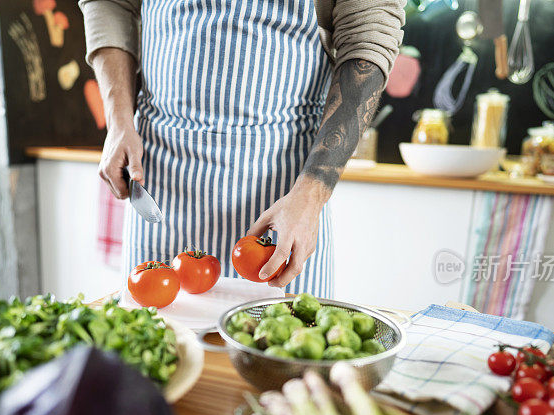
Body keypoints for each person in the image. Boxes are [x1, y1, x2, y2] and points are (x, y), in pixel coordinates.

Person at [80, 0, 404, 297]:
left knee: (282, 350)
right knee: (155, 351)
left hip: (284, 200)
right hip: (161, 187)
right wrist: (119, 120)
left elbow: (368, 41)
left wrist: (312, 194)